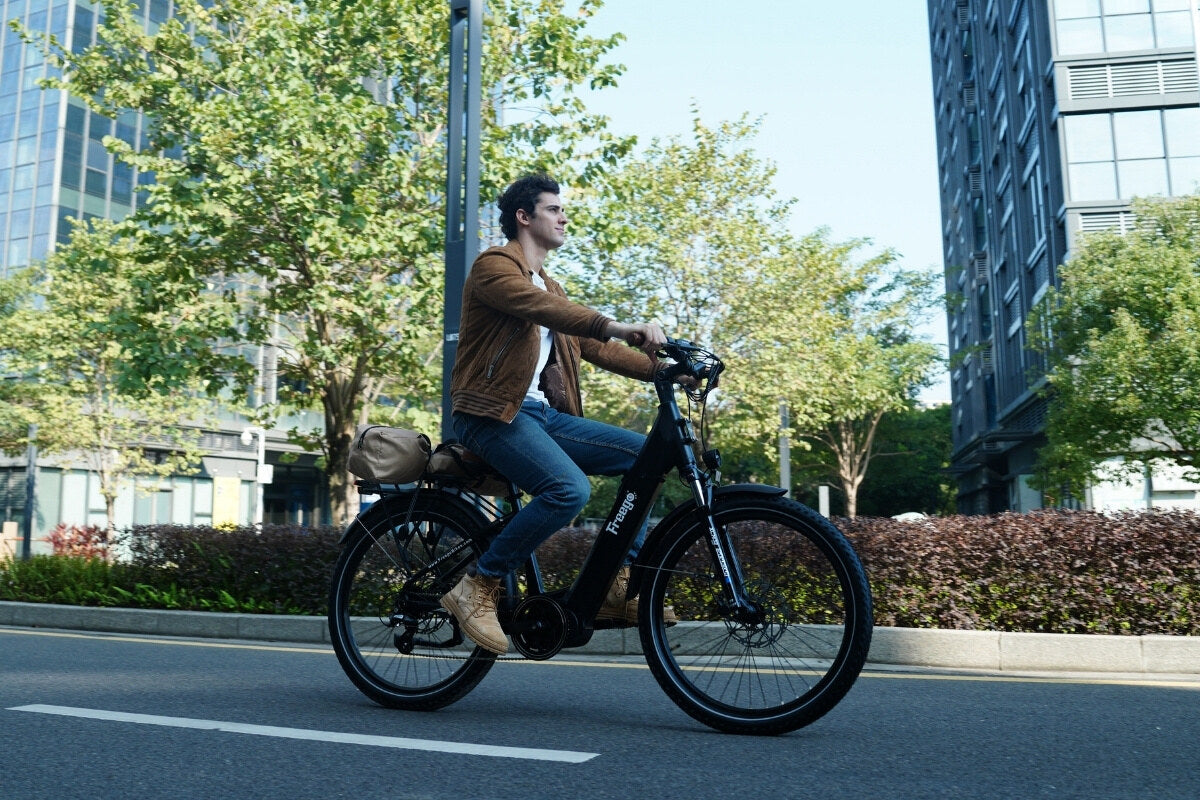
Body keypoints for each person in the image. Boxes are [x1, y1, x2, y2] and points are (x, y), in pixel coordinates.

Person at [440, 173, 673, 655]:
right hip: (491, 415)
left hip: (542, 416)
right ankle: (477, 584)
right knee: (568, 489)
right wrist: (616, 324)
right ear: (524, 218)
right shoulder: (494, 268)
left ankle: (616, 582)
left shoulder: (550, 284)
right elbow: (543, 310)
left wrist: (665, 372)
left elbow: (593, 347)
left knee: (644, 457)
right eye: (554, 209)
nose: (564, 217)